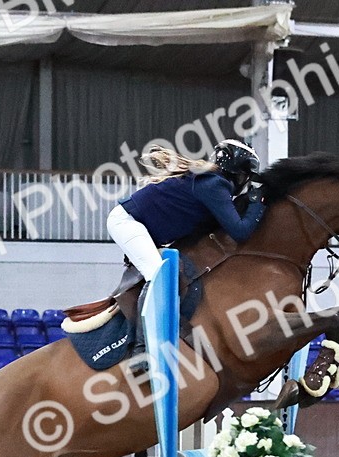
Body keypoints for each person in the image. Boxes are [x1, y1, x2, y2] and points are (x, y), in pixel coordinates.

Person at [106, 139, 265, 363]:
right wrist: (258, 203)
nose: (246, 182)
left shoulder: (211, 182)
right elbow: (240, 231)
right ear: (237, 171)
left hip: (138, 225)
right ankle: (142, 349)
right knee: (160, 277)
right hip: (127, 222)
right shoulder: (213, 185)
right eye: (245, 176)